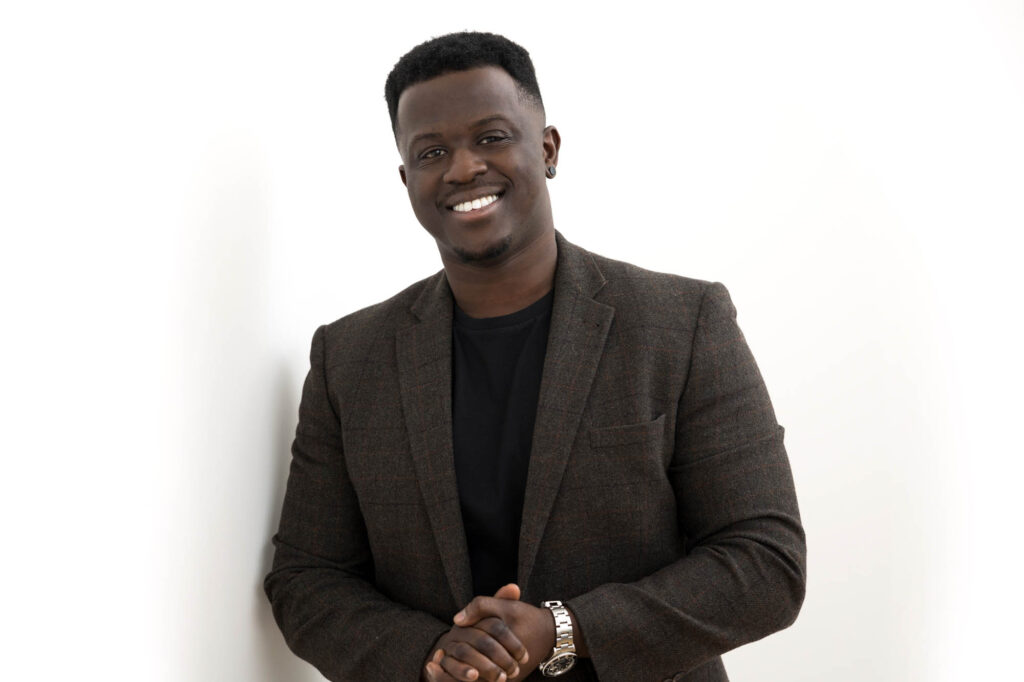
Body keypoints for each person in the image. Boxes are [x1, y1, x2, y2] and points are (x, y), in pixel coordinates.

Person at [264, 32, 806, 682]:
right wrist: (432, 654)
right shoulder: (348, 360)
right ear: (408, 180)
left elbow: (766, 562)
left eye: (491, 137)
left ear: (546, 149)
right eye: (432, 152)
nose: (463, 168)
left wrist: (562, 630)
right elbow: (307, 578)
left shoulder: (681, 323)